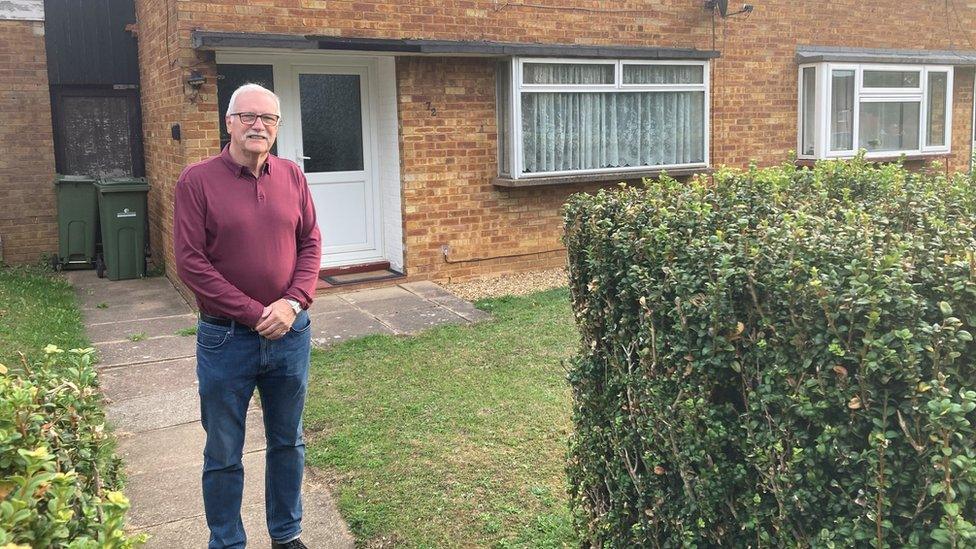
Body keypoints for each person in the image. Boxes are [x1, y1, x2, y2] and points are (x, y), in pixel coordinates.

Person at [173, 83, 322, 549]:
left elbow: (311, 243)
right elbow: (191, 263)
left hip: (290, 335)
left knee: (288, 442)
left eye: (269, 119)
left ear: (277, 127)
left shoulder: (293, 177)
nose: (259, 125)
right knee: (222, 451)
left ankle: (286, 534)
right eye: (248, 116)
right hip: (225, 339)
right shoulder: (196, 181)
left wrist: (293, 302)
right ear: (229, 122)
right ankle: (227, 542)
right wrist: (257, 312)